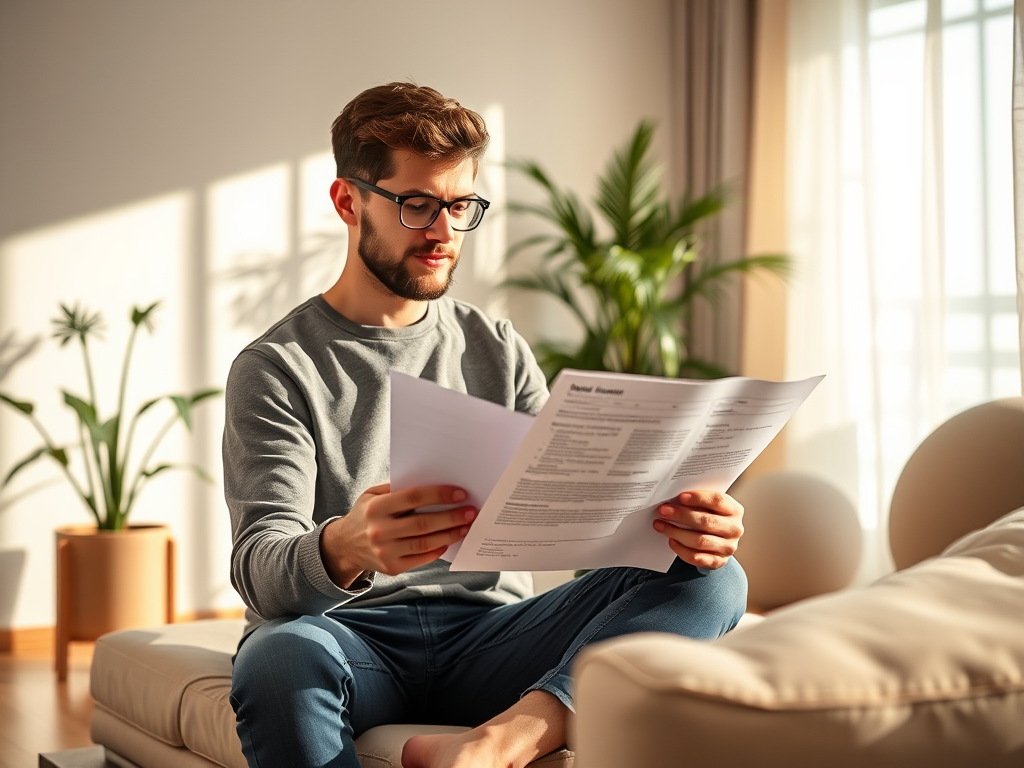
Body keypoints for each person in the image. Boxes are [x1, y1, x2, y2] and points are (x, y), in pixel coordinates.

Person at [225, 82, 747, 768]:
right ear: (348, 201)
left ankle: (503, 742)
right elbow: (259, 567)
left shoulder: (495, 347)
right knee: (275, 659)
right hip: (352, 638)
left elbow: (581, 516)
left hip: (492, 636)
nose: (444, 231)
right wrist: (345, 545)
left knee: (715, 577)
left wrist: (680, 522)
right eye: (417, 205)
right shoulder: (276, 366)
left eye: (461, 206)